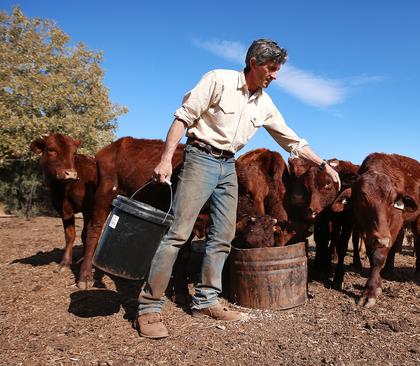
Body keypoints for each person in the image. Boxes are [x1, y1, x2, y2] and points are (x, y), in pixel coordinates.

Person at [135, 39, 341, 339]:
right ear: (254, 63)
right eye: (272, 68)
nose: (275, 75)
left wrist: (323, 164)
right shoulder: (219, 79)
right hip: (200, 158)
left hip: (228, 165)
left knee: (222, 235)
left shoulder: (264, 103)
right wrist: (166, 160)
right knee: (178, 233)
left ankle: (206, 300)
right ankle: (149, 307)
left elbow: (291, 140)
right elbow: (182, 118)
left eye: (278, 70)